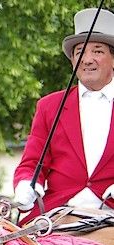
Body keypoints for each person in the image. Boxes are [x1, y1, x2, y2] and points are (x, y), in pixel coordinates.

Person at [13, 7, 114, 222]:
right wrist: (26, 185)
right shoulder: (49, 106)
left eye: (97, 51)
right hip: (58, 214)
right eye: (80, 52)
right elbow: (31, 164)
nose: (87, 59)